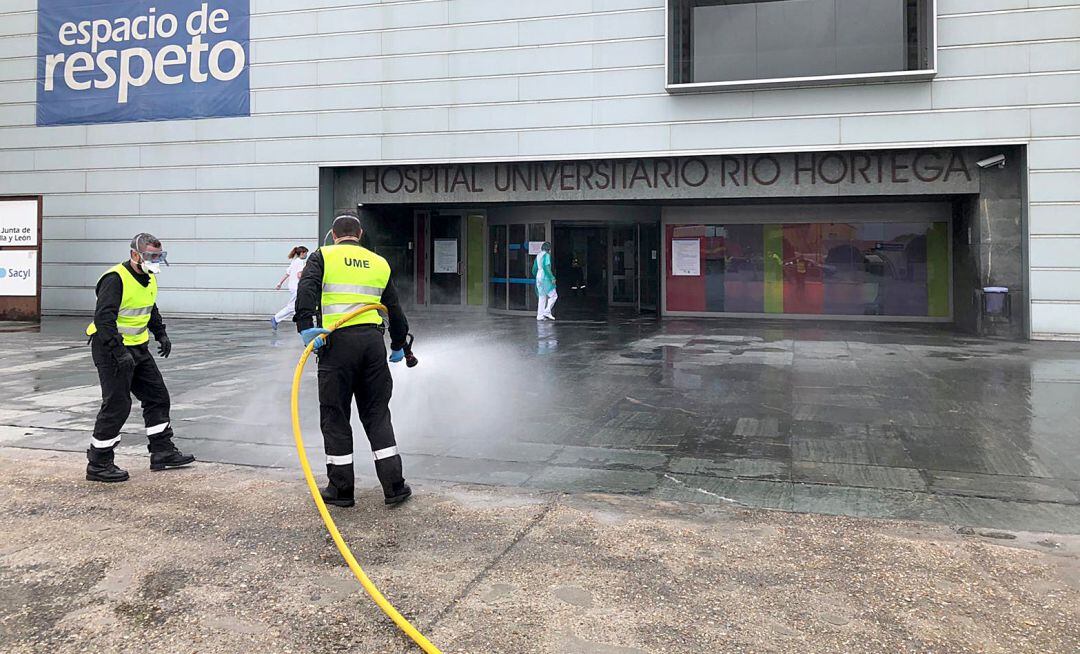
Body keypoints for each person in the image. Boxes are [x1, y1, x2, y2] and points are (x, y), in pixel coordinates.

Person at [294, 212, 412, 507]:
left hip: (337, 344)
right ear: (359, 234)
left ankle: (341, 489)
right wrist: (399, 344)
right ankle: (394, 487)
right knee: (377, 414)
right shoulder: (378, 262)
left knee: (335, 415)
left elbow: (306, 289)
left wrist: (307, 328)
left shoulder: (323, 256)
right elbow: (394, 308)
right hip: (372, 344)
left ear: (334, 235)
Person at [84, 233, 195, 483]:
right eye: (150, 256)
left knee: (157, 396)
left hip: (138, 348)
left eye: (159, 256)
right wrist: (118, 351)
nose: (155, 260)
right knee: (117, 404)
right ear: (135, 254)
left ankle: (162, 452)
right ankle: (98, 463)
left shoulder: (149, 277)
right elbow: (104, 319)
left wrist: (161, 334)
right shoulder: (115, 279)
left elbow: (150, 307)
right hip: (111, 348)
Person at [271, 246, 309, 330]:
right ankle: (276, 318)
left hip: (292, 286)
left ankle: (299, 322)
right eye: (306, 253)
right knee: (293, 306)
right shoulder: (300, 262)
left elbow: (287, 274)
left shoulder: (294, 261)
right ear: (302, 253)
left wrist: (279, 283)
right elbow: (299, 275)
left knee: (295, 305)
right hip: (297, 286)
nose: (306, 255)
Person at [533, 241, 557, 321]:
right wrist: (552, 277)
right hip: (545, 278)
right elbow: (546, 267)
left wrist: (536, 276)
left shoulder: (538, 255)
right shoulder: (546, 255)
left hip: (538, 277)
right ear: (548, 249)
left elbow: (534, 269)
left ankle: (540, 316)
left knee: (542, 297)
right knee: (554, 296)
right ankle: (547, 311)